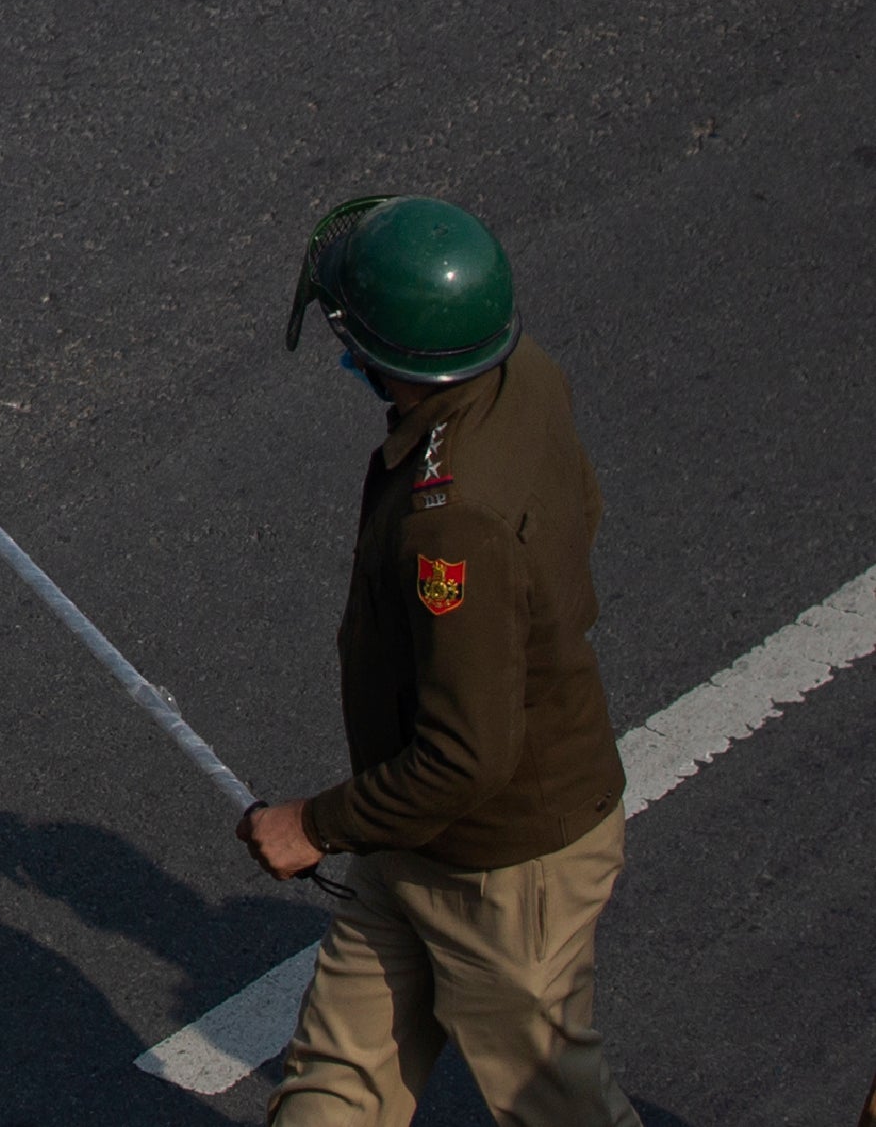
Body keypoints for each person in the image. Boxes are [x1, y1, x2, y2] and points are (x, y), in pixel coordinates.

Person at [240, 197, 640, 1126]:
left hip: (505, 868)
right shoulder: (523, 371)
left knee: (559, 1108)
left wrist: (316, 824)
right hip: (416, 832)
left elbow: (466, 758)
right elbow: (584, 503)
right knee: (330, 1091)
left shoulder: (451, 525)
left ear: (388, 357)